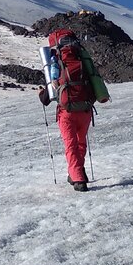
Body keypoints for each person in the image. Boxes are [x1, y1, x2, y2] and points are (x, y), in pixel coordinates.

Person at [38, 30, 109, 192]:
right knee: (80, 142)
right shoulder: (82, 58)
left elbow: (46, 99)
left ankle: (78, 178)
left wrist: (41, 93)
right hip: (85, 110)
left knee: (71, 145)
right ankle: (76, 172)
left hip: (66, 112)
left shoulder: (56, 61)